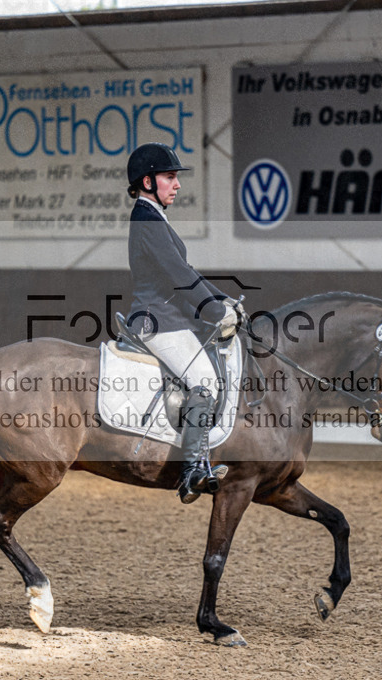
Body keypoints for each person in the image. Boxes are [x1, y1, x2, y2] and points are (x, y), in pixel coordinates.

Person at [124, 142, 242, 504]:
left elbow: (186, 272)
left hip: (169, 316)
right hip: (158, 320)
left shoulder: (154, 217)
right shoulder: (146, 218)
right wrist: (214, 311)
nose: (177, 185)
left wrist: (221, 301)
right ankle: (192, 469)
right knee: (204, 381)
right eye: (170, 177)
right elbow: (177, 275)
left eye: (176, 178)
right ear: (148, 181)